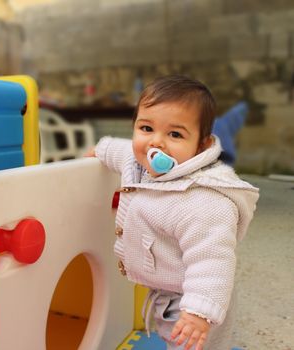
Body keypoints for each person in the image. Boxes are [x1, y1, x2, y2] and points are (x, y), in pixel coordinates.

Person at [87, 75, 259, 350]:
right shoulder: (140, 163)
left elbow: (212, 262)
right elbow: (121, 152)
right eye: (146, 128)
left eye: (175, 134)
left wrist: (198, 312)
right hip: (167, 293)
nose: (156, 143)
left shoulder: (203, 202)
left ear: (202, 145)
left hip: (195, 299)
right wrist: (97, 152)